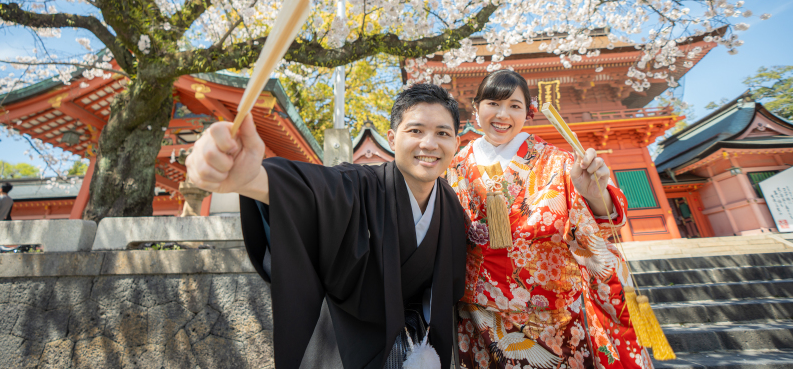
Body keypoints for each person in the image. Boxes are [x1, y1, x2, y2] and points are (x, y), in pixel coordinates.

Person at [185, 83, 467, 369]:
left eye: (442, 133)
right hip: (344, 348)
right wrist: (252, 179)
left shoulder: (451, 206)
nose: (429, 144)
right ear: (392, 139)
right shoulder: (360, 185)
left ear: (456, 143)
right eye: (416, 131)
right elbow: (317, 189)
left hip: (416, 350)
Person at [447, 70, 651, 369]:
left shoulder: (558, 162)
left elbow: (599, 228)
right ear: (476, 108)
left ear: (527, 113)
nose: (502, 114)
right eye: (493, 103)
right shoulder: (453, 167)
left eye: (515, 106)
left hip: (553, 314)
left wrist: (595, 195)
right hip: (480, 315)